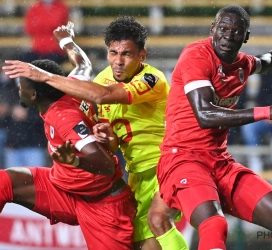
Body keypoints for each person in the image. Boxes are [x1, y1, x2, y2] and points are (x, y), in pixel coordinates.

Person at [3, 16, 188, 250]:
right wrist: (67, 42)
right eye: (113, 53)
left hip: (164, 166)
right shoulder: (100, 82)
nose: (118, 61)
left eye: (127, 54)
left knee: (158, 222)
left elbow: (101, 99)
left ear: (142, 55)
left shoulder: (151, 79)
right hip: (128, 176)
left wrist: (45, 76)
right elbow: (83, 68)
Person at [151, 5, 272, 250]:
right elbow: (205, 115)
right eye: (223, 28)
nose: (228, 36)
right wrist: (267, 111)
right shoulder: (196, 56)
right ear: (213, 29)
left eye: (236, 31)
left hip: (219, 163)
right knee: (214, 226)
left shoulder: (242, 65)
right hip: (183, 160)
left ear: (246, 37)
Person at [1, 23, 136, 250]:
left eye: (21, 86)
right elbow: (83, 64)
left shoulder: (63, 118)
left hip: (101, 203)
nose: (18, 90)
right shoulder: (72, 85)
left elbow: (104, 165)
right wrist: (67, 41)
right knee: (5, 181)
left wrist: (74, 161)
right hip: (64, 190)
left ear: (33, 95)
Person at [23, 0, 69, 64]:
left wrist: (41, 26)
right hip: (38, 48)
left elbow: (61, 26)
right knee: (26, 60)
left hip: (56, 49)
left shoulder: (61, 8)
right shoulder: (35, 8)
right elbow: (29, 28)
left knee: (49, 63)